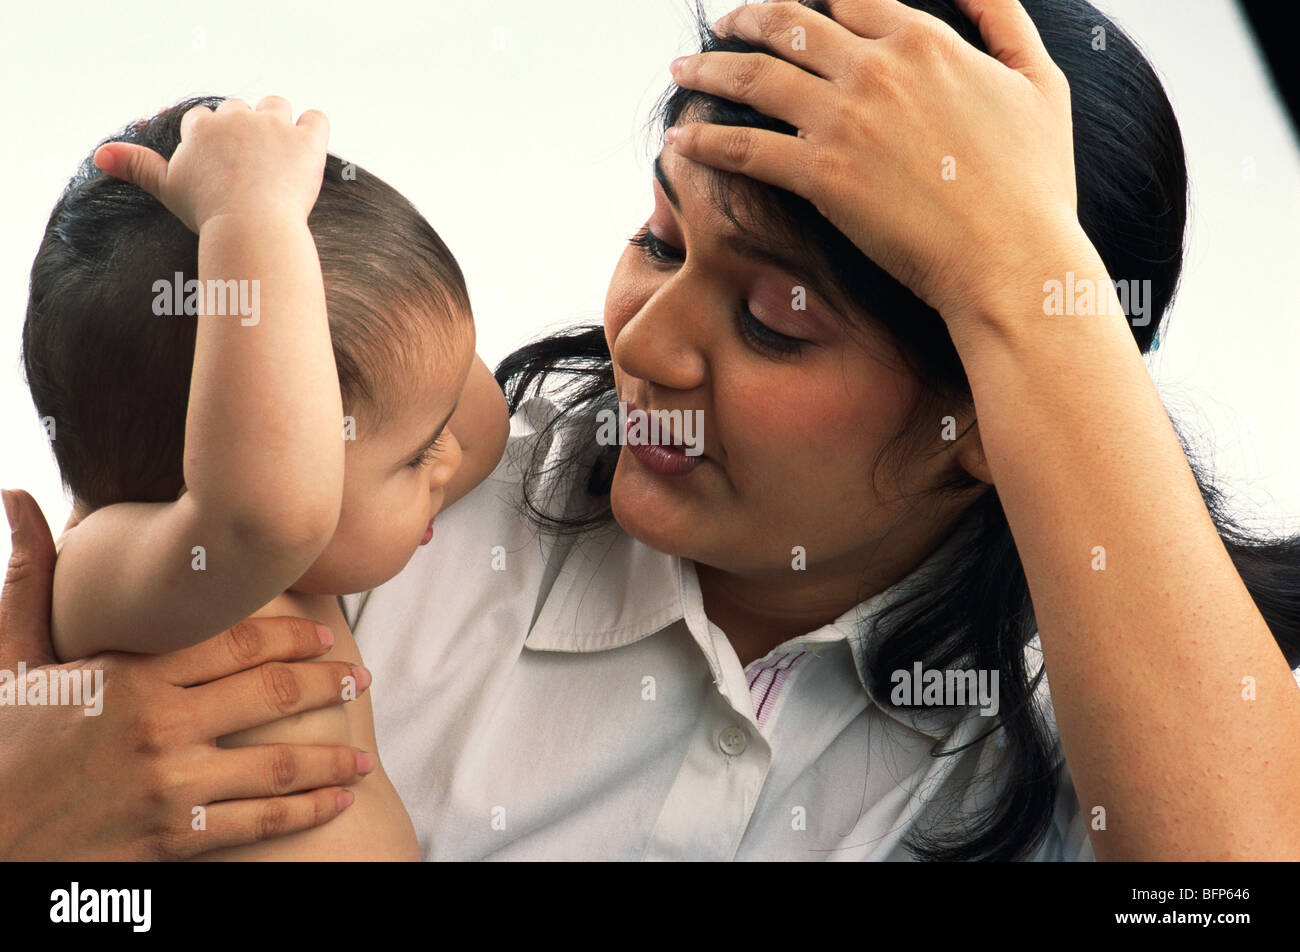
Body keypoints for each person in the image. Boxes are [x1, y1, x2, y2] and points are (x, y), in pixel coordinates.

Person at [3, 0, 1299, 861]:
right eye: (662, 238)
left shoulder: (1100, 739)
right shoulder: (395, 512)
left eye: (777, 321)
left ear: (986, 417)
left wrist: (1021, 270)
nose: (647, 340)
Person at [17, 95, 510, 859]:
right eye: (415, 457)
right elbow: (268, 514)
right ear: (229, 448)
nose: (454, 456)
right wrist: (248, 224)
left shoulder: (265, 554)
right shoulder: (105, 570)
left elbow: (479, 421)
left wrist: (283, 220)